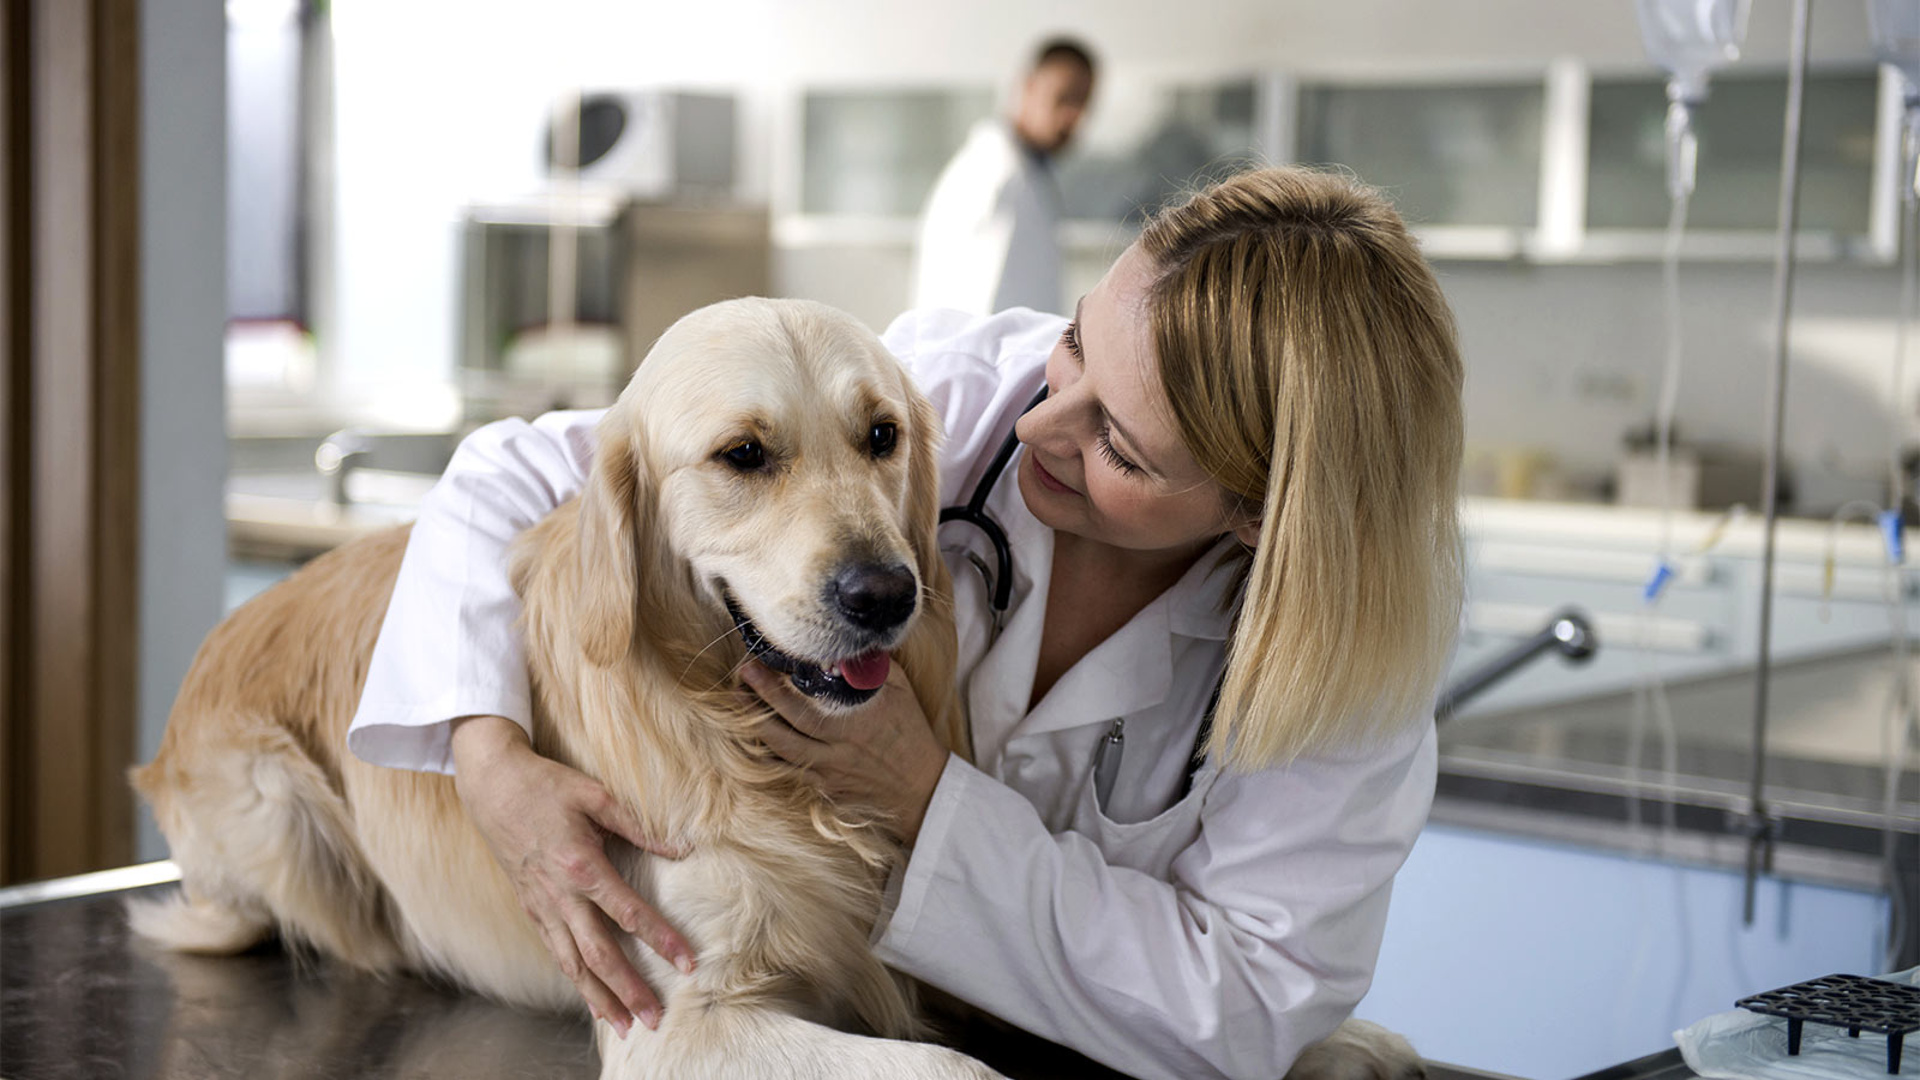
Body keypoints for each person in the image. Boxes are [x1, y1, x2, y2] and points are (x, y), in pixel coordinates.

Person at [348, 166, 1465, 1080]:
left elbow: (1244, 1004)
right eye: (1075, 346)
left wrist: (925, 794)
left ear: (1262, 513)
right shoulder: (940, 391)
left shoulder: (1349, 667)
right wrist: (484, 757)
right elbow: (517, 470)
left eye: (1120, 447)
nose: (1039, 423)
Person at [910, 38, 1096, 318]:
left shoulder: (1028, 174)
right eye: (1063, 98)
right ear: (1028, 87)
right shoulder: (997, 177)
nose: (1073, 116)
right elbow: (979, 308)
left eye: (1083, 103)